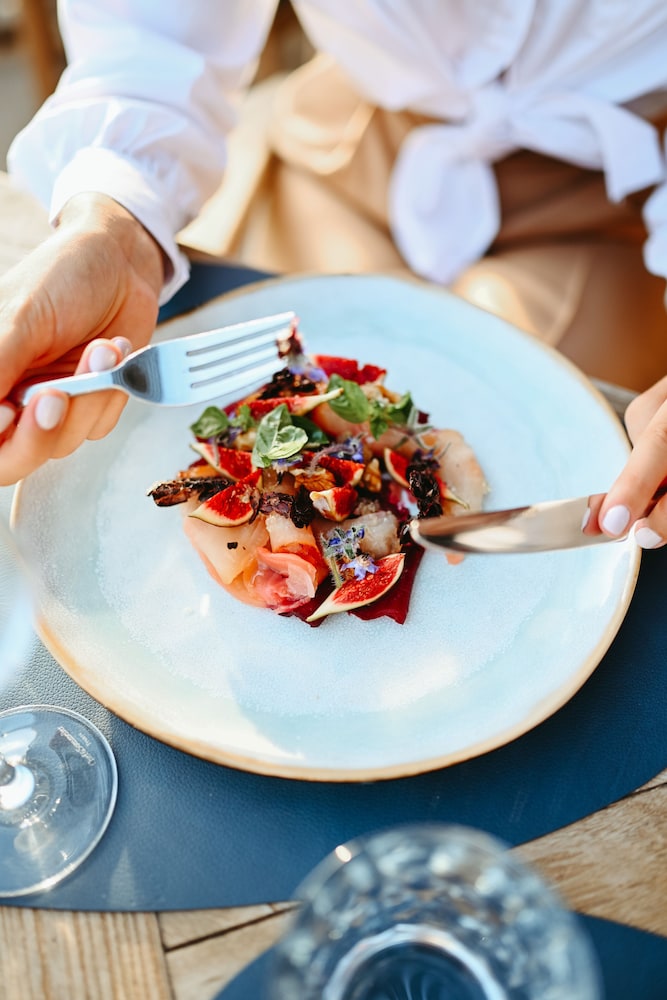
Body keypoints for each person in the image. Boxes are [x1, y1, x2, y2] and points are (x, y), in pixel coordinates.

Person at [1, 0, 667, 547]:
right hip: (350, 140)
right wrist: (114, 229)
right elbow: (155, 36)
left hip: (616, 192)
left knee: (557, 453)